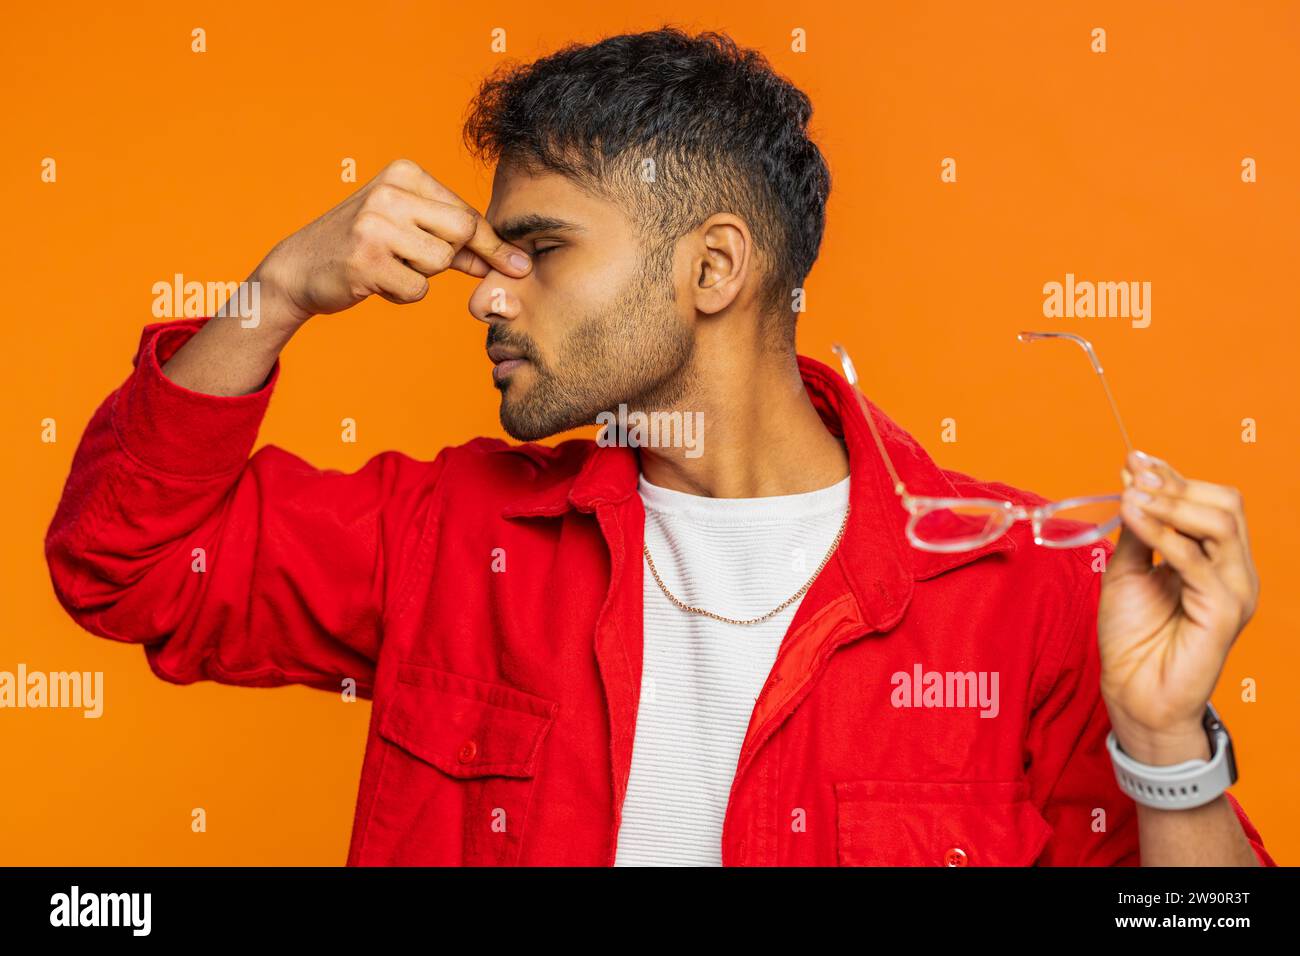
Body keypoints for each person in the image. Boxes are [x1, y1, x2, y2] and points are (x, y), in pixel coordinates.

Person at [45, 27, 1274, 866]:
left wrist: (1165, 742)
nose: (487, 291)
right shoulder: (451, 536)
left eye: (543, 247)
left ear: (714, 266)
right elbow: (128, 561)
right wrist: (277, 292)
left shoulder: (1027, 592)